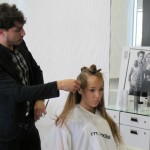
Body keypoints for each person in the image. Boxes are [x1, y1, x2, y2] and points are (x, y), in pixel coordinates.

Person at [0, 3, 80, 150]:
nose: (23, 33)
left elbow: (36, 71)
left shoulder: (20, 44)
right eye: (18, 30)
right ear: (1, 32)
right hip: (7, 133)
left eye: (22, 28)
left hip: (28, 126)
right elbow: (18, 92)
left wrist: (39, 100)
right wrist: (59, 85)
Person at [53, 64, 126, 150]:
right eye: (92, 90)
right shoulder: (67, 121)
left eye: (101, 89)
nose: (97, 95)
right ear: (80, 90)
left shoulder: (107, 121)